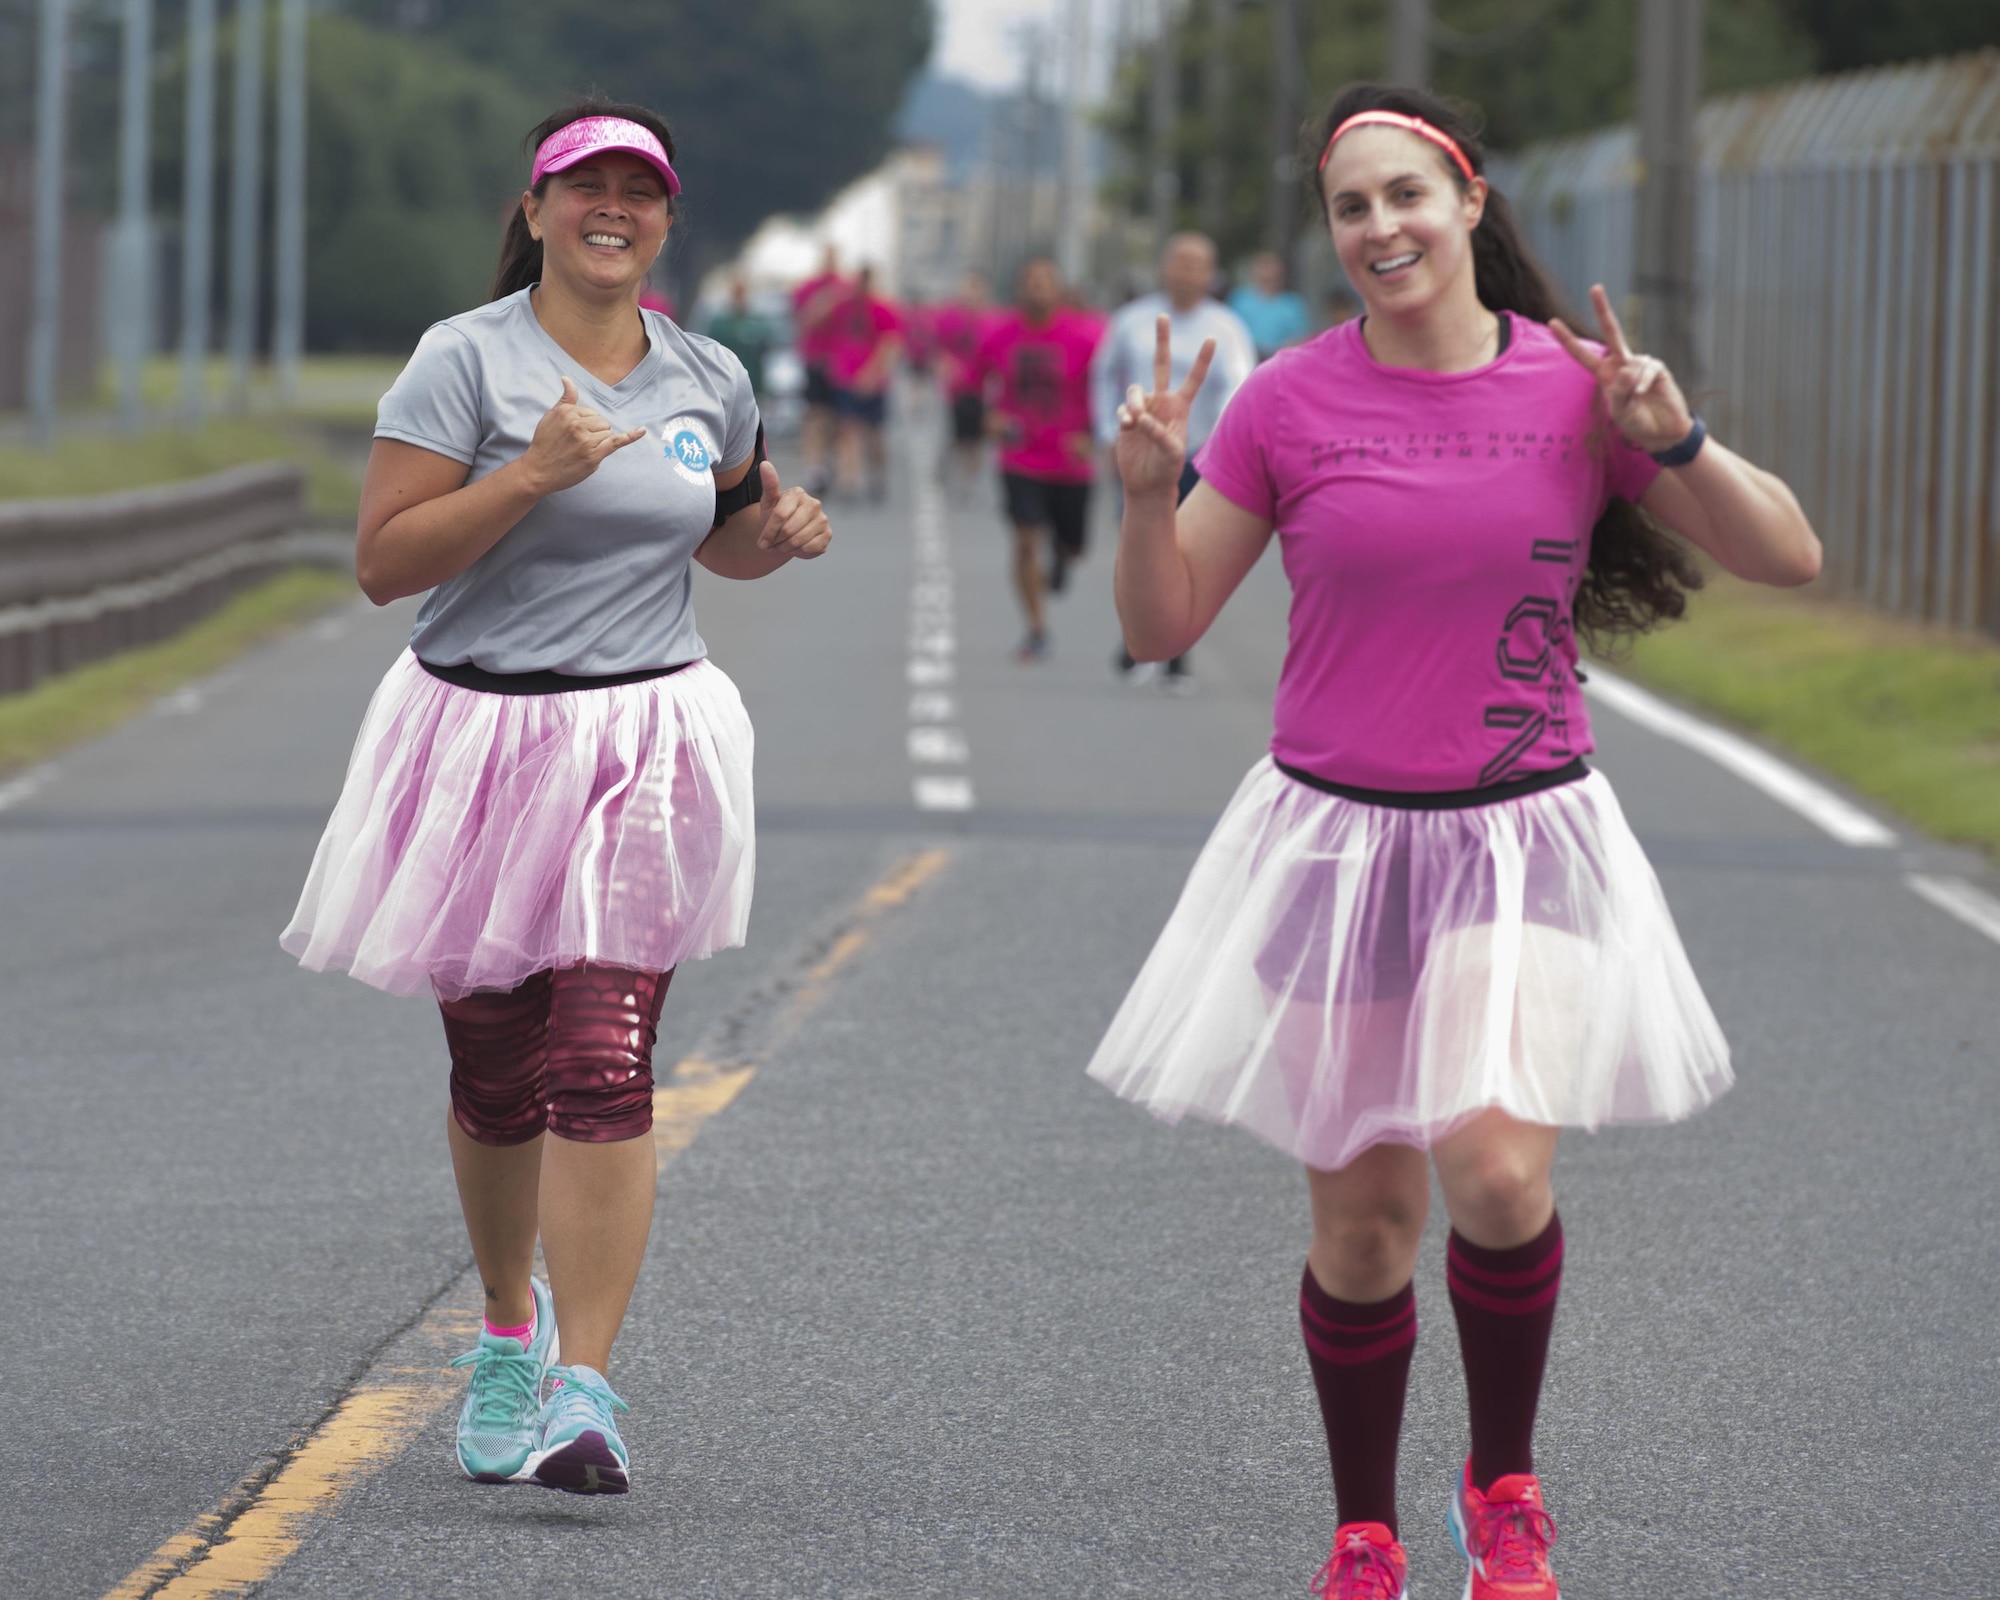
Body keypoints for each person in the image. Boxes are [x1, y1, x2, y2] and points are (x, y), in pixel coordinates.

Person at [1090, 84, 1821, 1600]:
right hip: (1334, 850)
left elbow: (1788, 555)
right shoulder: (1287, 401)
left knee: (1493, 1172)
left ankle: (1505, 1487)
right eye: (1351, 207)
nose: (1380, 229)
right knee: (1364, 1225)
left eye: (1406, 195)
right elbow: (1163, 626)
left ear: (1471, 201)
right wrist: (1150, 501)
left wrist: (1674, 436)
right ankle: (1365, 1529)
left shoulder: (1579, 388)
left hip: (1520, 839)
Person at [280, 99, 831, 1498]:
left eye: (640, 191)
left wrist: (779, 535)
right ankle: (509, 1336)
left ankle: (585, 1392)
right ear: (533, 210)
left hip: (644, 734)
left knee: (603, 1055)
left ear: (665, 219)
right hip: (477, 735)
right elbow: (385, 564)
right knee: (497, 1072)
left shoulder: (708, 374)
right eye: (586, 186)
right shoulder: (461, 363)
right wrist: (530, 472)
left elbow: (721, 539)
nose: (614, 209)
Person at [1090, 232, 1256, 692]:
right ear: (1164, 267)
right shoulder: (1133, 321)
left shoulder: (1225, 327)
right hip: (1141, 450)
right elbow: (1103, 376)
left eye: (1196, 264)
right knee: (1140, 548)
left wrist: (1221, 449)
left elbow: (1239, 391)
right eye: (1178, 262)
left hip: (1200, 456)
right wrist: (1108, 431)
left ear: (1211, 273)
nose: (1186, 272)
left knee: (1186, 555)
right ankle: (1138, 640)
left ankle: (1175, 656)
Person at [974, 255, 1102, 662]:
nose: (1038, 287)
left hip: (1071, 460)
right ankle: (1036, 628)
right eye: (1030, 280)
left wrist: (1094, 435)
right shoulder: (1000, 334)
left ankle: (1064, 557)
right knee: (1025, 539)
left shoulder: (1088, 335)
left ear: (1059, 289)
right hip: (1020, 457)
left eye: (1046, 280)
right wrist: (989, 420)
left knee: (1074, 547)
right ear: (1019, 289)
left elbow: (1110, 385)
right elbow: (973, 384)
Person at [822, 265, 903, 501]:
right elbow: (815, 321)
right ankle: (849, 480)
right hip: (845, 379)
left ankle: (877, 475)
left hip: (873, 383)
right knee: (848, 430)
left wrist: (872, 375)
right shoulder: (842, 307)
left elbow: (891, 346)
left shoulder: (882, 309)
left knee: (874, 435)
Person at [933, 270, 997, 493]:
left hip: (981, 390)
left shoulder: (991, 322)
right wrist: (945, 364)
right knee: (958, 436)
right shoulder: (951, 317)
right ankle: (949, 464)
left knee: (976, 440)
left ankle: (968, 481)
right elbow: (938, 346)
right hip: (957, 389)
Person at [792, 245, 846, 494]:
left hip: (839, 363)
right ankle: (815, 466)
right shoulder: (808, 289)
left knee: (836, 419)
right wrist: (823, 302)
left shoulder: (847, 288)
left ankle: (831, 460)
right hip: (814, 361)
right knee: (814, 415)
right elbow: (802, 320)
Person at [1230, 250, 1313, 360]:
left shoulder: (1292, 304)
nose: (1268, 271)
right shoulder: (1239, 300)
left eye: (1272, 265)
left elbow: (1299, 339)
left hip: (1280, 363)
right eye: (1263, 265)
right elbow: (1232, 333)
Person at [704, 277, 774, 397]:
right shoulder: (720, 323)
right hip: (727, 378)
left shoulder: (757, 322)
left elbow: (767, 344)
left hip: (752, 379)